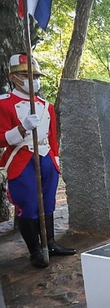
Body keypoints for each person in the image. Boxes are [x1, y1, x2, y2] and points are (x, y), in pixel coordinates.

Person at [0, 53, 76, 268]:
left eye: (35, 75)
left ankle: (50, 243)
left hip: (46, 159)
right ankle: (35, 250)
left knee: (49, 203)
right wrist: (21, 129)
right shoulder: (4, 103)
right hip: (22, 160)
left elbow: (52, 136)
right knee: (30, 205)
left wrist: (56, 160)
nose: (33, 79)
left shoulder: (46, 105)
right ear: (13, 77)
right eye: (26, 74)